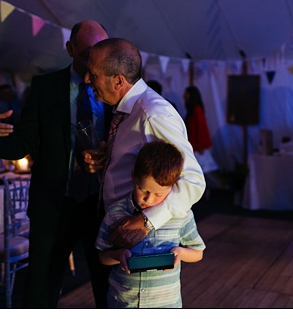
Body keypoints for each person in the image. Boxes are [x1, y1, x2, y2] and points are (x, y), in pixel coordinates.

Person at [0, 20, 112, 308]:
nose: (95, 61)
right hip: (54, 204)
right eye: (87, 54)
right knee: (41, 287)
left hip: (102, 204)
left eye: (101, 52)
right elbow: (21, 145)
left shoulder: (116, 90)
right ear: (69, 49)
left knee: (107, 286)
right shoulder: (45, 87)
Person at [81, 37, 205, 260]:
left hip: (140, 243)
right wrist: (107, 162)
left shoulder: (152, 114)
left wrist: (146, 222)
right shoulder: (128, 111)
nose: (86, 79)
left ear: (118, 81)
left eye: (93, 74)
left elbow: (193, 180)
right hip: (116, 231)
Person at [95, 141, 205, 308]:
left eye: (158, 194)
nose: (149, 199)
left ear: (172, 187)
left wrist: (179, 252)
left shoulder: (181, 215)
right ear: (133, 176)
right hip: (123, 303)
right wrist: (118, 255)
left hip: (166, 305)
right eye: (142, 189)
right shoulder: (116, 213)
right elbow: (102, 256)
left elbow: (198, 252)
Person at [182, 86, 211, 154]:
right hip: (193, 145)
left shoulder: (197, 110)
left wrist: (201, 146)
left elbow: (201, 128)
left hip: (198, 147)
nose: (184, 96)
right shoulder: (191, 110)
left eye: (186, 94)